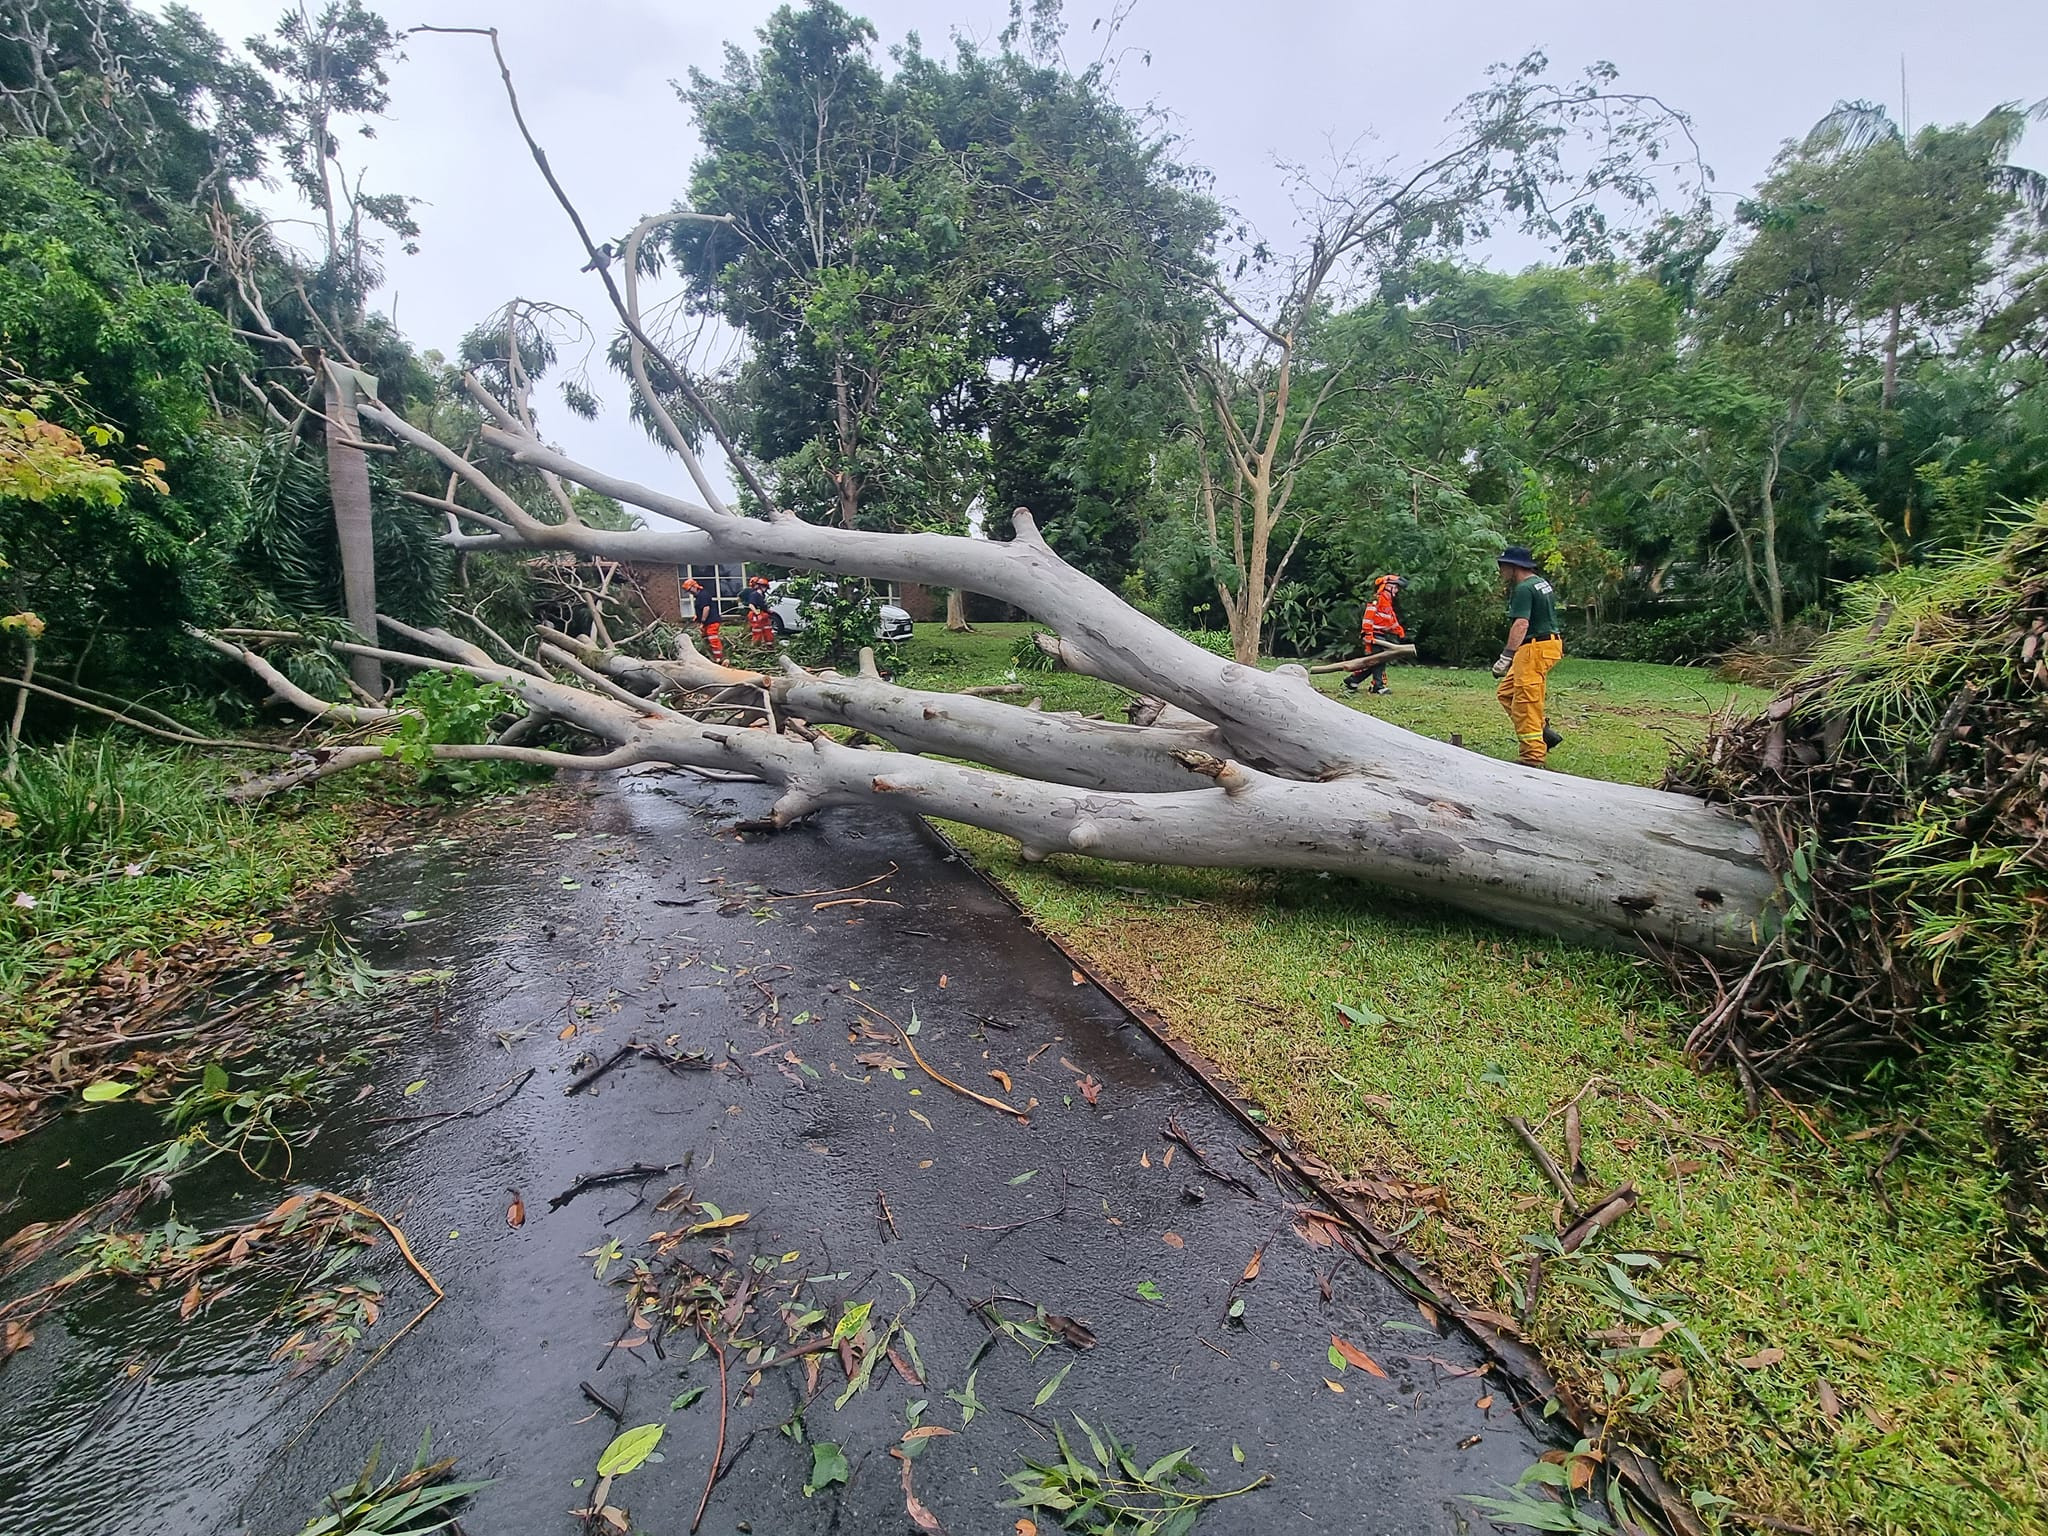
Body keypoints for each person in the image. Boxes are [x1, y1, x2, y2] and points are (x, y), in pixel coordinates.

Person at [1490, 546, 1565, 767]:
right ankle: (1543, 732)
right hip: (1544, 645)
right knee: (1507, 694)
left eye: (1503, 566)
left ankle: (1533, 756)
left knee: (1526, 701)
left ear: (1515, 566)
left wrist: (1506, 655)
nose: (1501, 571)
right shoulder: (1540, 583)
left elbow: (1521, 623)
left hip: (1535, 648)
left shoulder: (1524, 589)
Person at [1343, 573, 1407, 694]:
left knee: (1376, 661)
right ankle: (1378, 686)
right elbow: (1368, 618)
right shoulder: (1377, 599)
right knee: (1379, 660)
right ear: (1388, 586)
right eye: (1396, 587)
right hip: (1373, 635)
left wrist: (1399, 631)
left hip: (1381, 635)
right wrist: (1368, 635)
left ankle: (1353, 680)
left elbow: (1389, 620)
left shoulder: (1387, 602)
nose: (1397, 590)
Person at [683, 577, 726, 664]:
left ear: (694, 586)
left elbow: (706, 608)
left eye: (690, 590)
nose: (690, 593)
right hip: (707, 622)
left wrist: (702, 621)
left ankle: (719, 657)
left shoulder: (703, 595)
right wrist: (697, 617)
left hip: (711, 621)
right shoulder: (699, 596)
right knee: (704, 638)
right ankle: (710, 655)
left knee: (712, 637)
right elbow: (701, 608)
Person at [743, 575, 776, 645]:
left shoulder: (762, 595)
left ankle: (769, 645)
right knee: (757, 631)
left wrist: (768, 611)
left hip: (763, 614)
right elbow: (751, 605)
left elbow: (762, 606)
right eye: (764, 587)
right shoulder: (754, 595)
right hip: (756, 615)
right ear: (760, 586)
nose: (765, 589)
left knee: (767, 629)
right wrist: (757, 614)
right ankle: (756, 645)